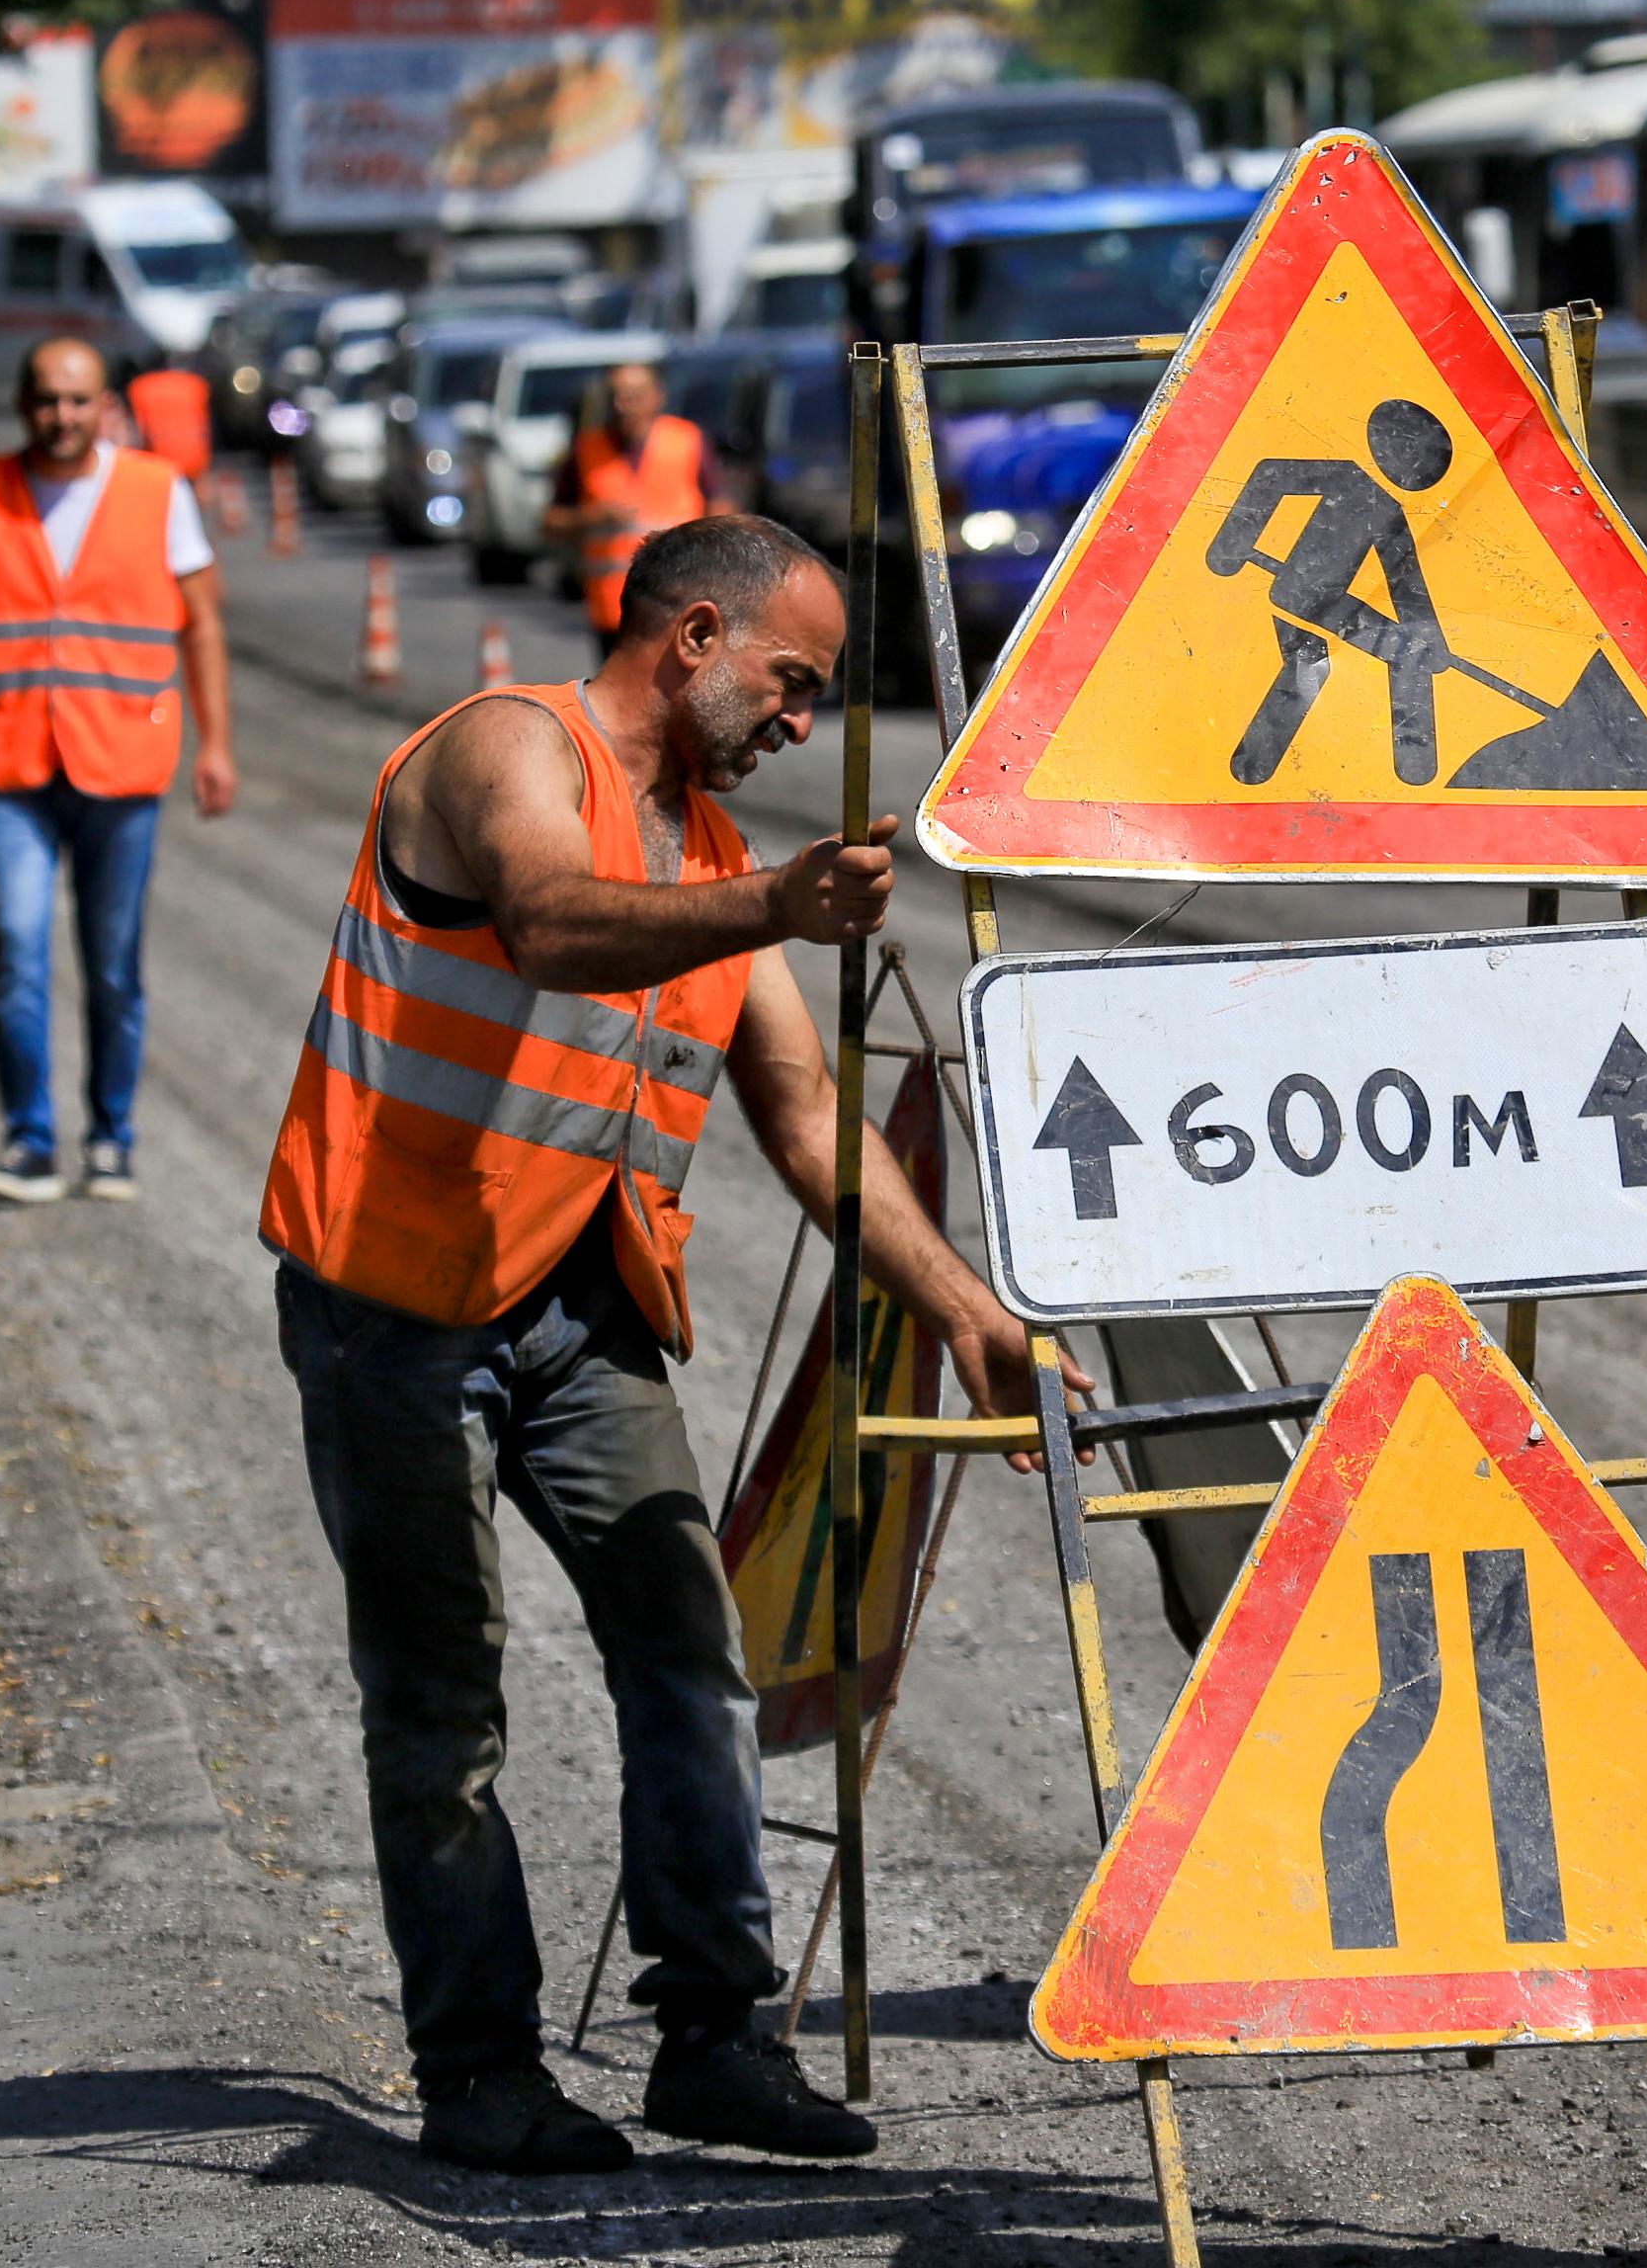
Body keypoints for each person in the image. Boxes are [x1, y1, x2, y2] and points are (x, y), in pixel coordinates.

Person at [262, 515, 1087, 2176]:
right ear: (693, 634)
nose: (798, 719)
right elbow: (557, 922)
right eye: (789, 681)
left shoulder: (709, 859)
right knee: (440, 1701)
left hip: (579, 1307)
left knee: (687, 1652)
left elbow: (808, 1130)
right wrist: (771, 900)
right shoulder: (507, 747)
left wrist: (973, 1316)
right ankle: (477, 2070)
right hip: (392, 1306)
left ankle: (710, 2036)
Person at [0, 336, 239, 1206]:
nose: (62, 416)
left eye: (78, 400)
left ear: (106, 407)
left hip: (121, 765)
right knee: (18, 946)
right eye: (46, 400)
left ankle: (110, 1140)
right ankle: (28, 1142)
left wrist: (214, 744)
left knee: (111, 962)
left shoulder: (156, 491)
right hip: (6, 763)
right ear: (20, 404)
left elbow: (201, 623)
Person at [542, 361, 731, 667]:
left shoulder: (687, 441)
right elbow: (550, 522)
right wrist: (589, 517)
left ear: (657, 397)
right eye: (615, 396)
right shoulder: (586, 449)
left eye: (633, 396)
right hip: (613, 610)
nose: (622, 406)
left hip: (679, 602)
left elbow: (719, 505)